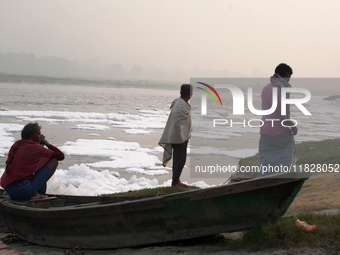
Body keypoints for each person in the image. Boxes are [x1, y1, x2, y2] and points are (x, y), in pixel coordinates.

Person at [1, 122, 65, 200]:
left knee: (43, 164)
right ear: (31, 136)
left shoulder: (17, 144)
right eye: (38, 134)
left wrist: (38, 143)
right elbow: (60, 156)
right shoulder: (36, 148)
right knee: (54, 161)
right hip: (24, 190)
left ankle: (35, 193)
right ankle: (36, 194)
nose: (40, 136)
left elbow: (33, 156)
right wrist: (45, 143)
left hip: (9, 190)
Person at [258, 63, 297, 176]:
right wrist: (293, 126)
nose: (289, 80)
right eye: (289, 77)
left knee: (266, 156)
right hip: (279, 129)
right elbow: (283, 112)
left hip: (265, 128)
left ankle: (263, 178)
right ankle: (285, 176)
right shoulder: (282, 87)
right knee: (289, 148)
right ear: (285, 75)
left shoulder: (266, 87)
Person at [159, 84, 193, 187]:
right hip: (179, 139)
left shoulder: (180, 102)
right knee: (179, 160)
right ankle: (175, 182)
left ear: (180, 92)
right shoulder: (180, 105)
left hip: (180, 137)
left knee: (181, 160)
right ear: (190, 94)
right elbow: (177, 123)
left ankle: (176, 180)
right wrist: (181, 139)